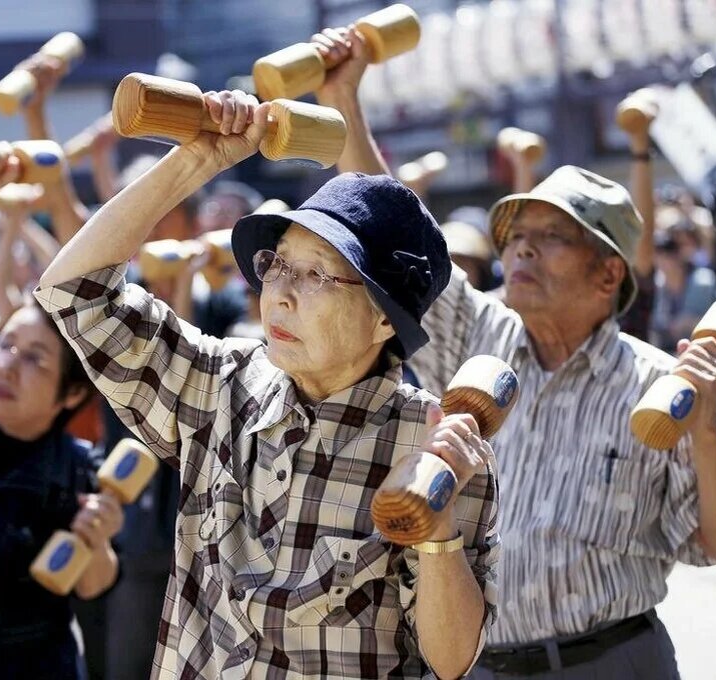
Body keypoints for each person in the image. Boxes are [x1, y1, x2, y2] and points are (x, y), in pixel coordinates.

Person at [312, 23, 716, 679]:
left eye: (551, 236)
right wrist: (345, 100)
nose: (520, 249)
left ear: (607, 275)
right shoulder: (475, 336)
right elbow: (390, 220)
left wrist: (706, 426)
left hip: (615, 660)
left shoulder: (661, 388)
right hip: (480, 665)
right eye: (514, 236)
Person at [34, 88, 500, 679]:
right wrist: (197, 160)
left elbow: (452, 658)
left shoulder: (437, 449)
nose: (279, 293)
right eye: (278, 264)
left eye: (317, 275)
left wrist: (436, 531)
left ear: (384, 319)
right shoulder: (219, 383)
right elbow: (73, 292)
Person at [0, 144, 123, 680]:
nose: (6, 366)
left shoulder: (78, 469)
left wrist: (96, 540)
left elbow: (93, 583)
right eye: (4, 346)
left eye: (33, 359)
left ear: (71, 396)